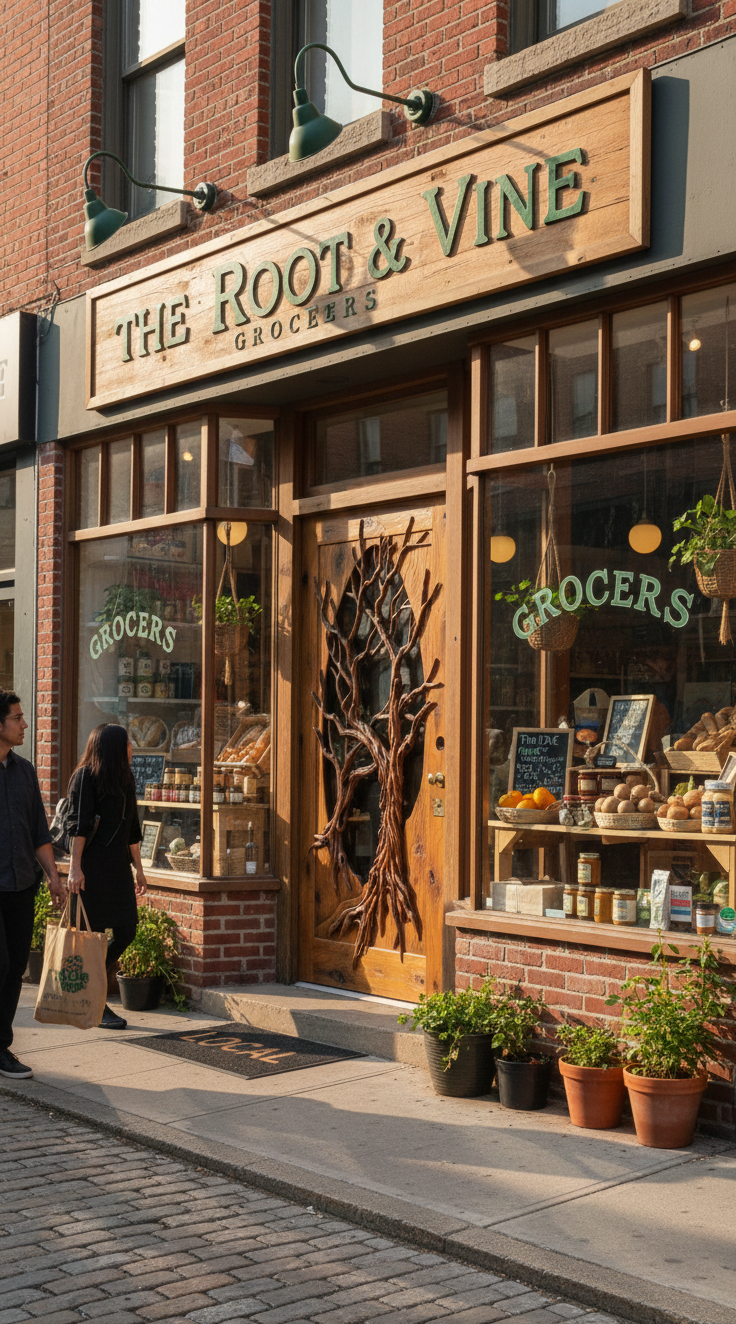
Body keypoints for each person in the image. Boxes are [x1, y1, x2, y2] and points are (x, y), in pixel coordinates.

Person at [0, 691, 66, 1080]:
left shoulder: (25, 771)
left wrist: (54, 878)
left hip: (23, 884)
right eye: (17, 718)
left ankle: (2, 1048)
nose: (25, 724)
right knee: (1, 962)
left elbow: (39, 832)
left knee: (14, 969)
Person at [66, 723, 147, 1030]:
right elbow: (79, 826)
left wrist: (139, 868)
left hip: (118, 866)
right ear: (113, 747)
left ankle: (91, 985)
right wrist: (75, 867)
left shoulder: (126, 778)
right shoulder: (85, 777)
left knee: (127, 930)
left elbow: (133, 827)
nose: (132, 748)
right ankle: (98, 1004)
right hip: (92, 867)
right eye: (128, 743)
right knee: (94, 938)